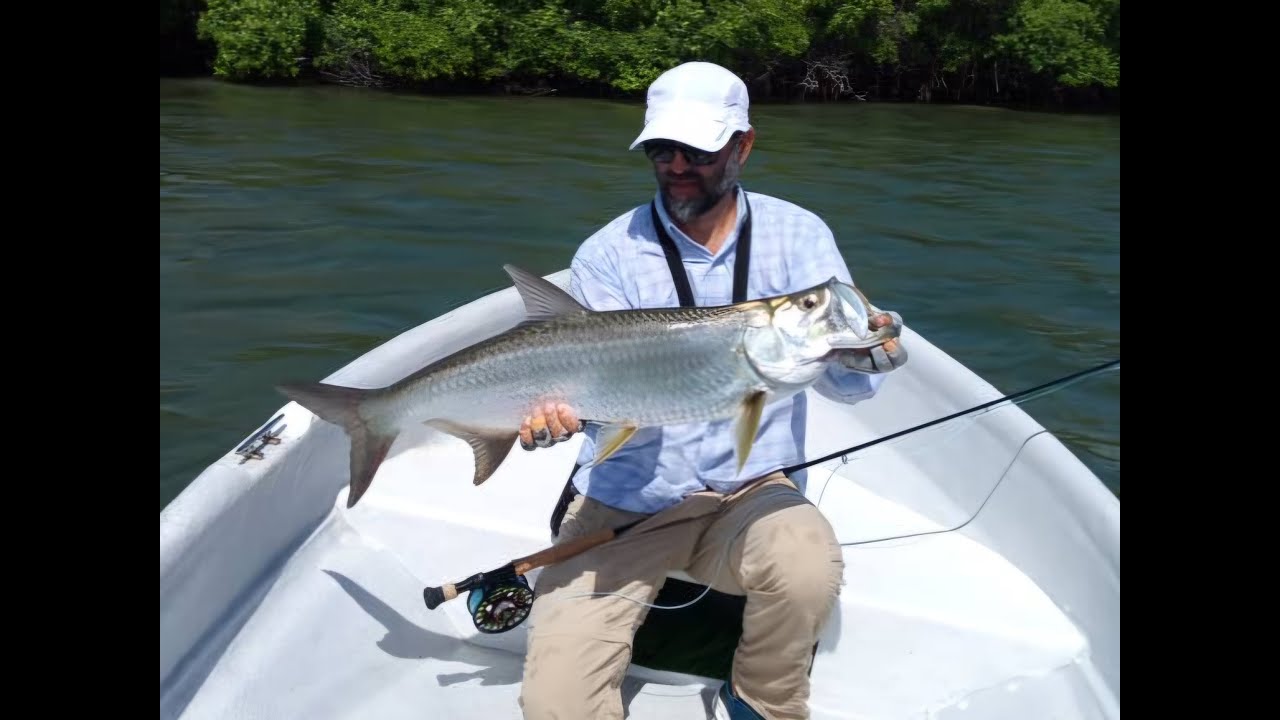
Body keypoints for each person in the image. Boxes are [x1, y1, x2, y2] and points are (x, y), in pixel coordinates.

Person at [513, 61, 908, 720]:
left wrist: (876, 350)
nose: (677, 165)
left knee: (808, 569)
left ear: (743, 145)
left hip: (753, 493)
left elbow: (850, 385)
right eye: (661, 149)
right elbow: (598, 396)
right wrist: (557, 420)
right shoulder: (608, 253)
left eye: (697, 149)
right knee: (556, 707)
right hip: (627, 498)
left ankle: (761, 698)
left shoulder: (798, 235)